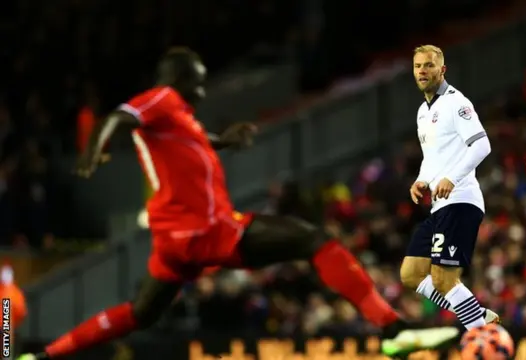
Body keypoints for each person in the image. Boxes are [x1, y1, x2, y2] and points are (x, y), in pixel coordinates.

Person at [18, 47, 458, 360]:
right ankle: (393, 331)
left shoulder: (179, 120)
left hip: (173, 242)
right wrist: (96, 145)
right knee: (316, 241)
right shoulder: (164, 98)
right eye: (199, 79)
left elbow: (186, 141)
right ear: (181, 77)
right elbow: (121, 115)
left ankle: (44, 356)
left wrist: (221, 141)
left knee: (141, 314)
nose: (204, 88)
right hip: (205, 230)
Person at [383, 44, 497, 358]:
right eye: (418, 66)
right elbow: (432, 158)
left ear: (442, 70)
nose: (422, 71)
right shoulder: (423, 111)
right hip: (439, 204)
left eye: (429, 66)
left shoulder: (456, 103)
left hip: (460, 200)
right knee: (410, 274)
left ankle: (483, 339)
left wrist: (452, 177)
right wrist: (422, 178)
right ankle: (475, 314)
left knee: (443, 279)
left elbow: (481, 145)